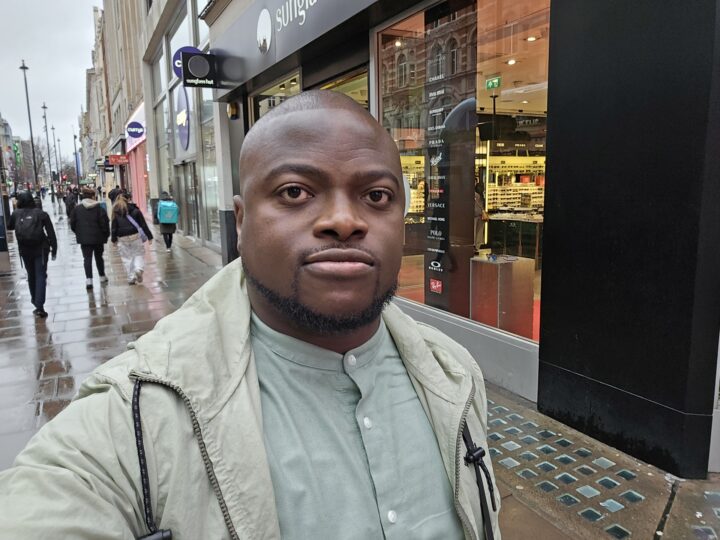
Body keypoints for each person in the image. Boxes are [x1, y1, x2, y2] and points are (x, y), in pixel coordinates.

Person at [0, 91, 501, 539]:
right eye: (295, 192)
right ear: (240, 222)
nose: (345, 221)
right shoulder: (136, 416)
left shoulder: (454, 374)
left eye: (376, 196)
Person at [7, 190, 57, 318]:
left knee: (31, 275)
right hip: (41, 249)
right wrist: (54, 249)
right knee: (40, 275)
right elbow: (51, 233)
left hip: (25, 250)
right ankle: (40, 306)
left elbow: (9, 226)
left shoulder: (16, 214)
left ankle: (35, 301)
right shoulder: (41, 214)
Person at [70, 186, 110, 289]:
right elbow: (104, 224)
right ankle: (102, 276)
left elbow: (72, 224)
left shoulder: (77, 209)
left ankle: (89, 280)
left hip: (84, 239)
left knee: (87, 259)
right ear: (93, 197)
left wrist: (79, 233)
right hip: (98, 238)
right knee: (99, 257)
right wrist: (106, 235)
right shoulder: (99, 208)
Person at [111, 194, 153, 284]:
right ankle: (138, 269)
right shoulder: (135, 210)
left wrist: (113, 239)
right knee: (138, 253)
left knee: (127, 258)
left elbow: (114, 227)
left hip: (122, 238)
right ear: (129, 199)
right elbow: (143, 225)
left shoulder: (115, 211)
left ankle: (131, 277)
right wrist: (150, 237)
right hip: (135, 235)